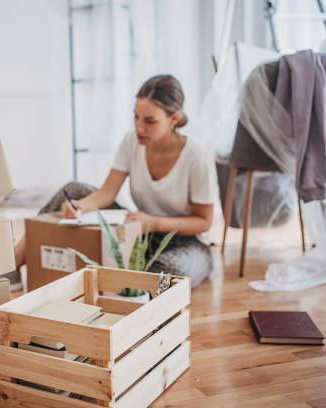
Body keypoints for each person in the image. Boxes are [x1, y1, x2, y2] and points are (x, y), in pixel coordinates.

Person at [36, 75, 216, 288]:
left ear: (174, 119)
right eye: (136, 117)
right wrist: (80, 207)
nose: (140, 128)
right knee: (74, 190)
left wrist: (154, 223)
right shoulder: (132, 141)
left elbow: (204, 221)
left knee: (165, 277)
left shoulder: (197, 159)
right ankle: (15, 264)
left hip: (188, 243)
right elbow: (107, 193)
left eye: (150, 121)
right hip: (142, 232)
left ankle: (134, 280)